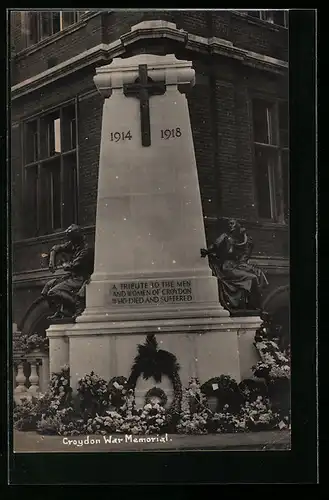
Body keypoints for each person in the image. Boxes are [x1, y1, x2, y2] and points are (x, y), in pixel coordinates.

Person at [200, 219, 268, 313]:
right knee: (252, 278)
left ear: (238, 226)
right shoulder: (224, 237)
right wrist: (206, 251)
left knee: (258, 274)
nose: (230, 226)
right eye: (229, 224)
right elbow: (214, 246)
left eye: (232, 224)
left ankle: (254, 305)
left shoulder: (241, 240)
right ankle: (256, 306)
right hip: (227, 268)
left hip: (236, 266)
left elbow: (245, 254)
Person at [41, 224, 94, 320]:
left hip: (80, 278)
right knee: (46, 290)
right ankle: (59, 311)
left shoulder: (86, 249)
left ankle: (76, 305)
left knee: (53, 292)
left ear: (76, 238)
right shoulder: (74, 244)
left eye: (71, 238)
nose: (69, 241)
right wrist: (51, 261)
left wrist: (65, 264)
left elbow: (73, 265)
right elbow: (56, 248)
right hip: (71, 277)